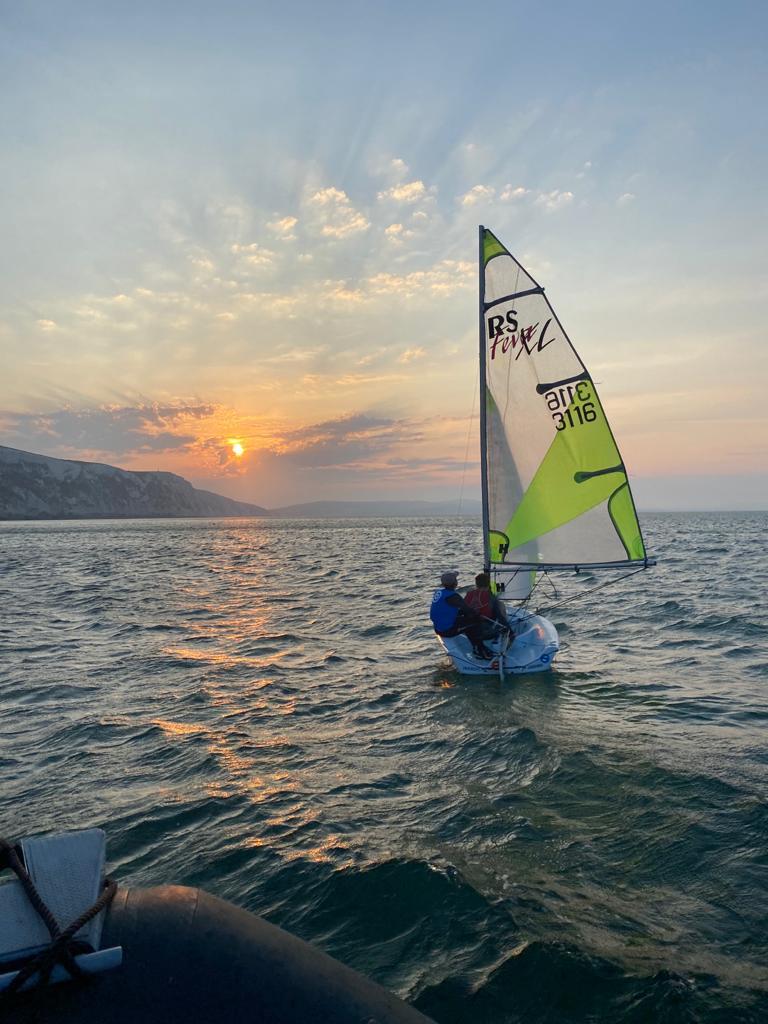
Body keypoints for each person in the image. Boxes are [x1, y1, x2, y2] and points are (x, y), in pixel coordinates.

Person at [429, 570, 494, 659]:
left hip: (437, 628)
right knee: (475, 622)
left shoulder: (439, 592)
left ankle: (476, 645)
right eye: (456, 579)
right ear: (455, 583)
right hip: (446, 631)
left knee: (467, 620)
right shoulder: (453, 596)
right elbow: (469, 611)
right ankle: (480, 650)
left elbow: (447, 609)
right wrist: (479, 614)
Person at [464, 572, 512, 642]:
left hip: (469, 625)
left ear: (476, 584)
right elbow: (499, 615)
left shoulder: (469, 593)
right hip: (485, 625)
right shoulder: (489, 597)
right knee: (500, 605)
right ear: (488, 584)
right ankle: (509, 632)